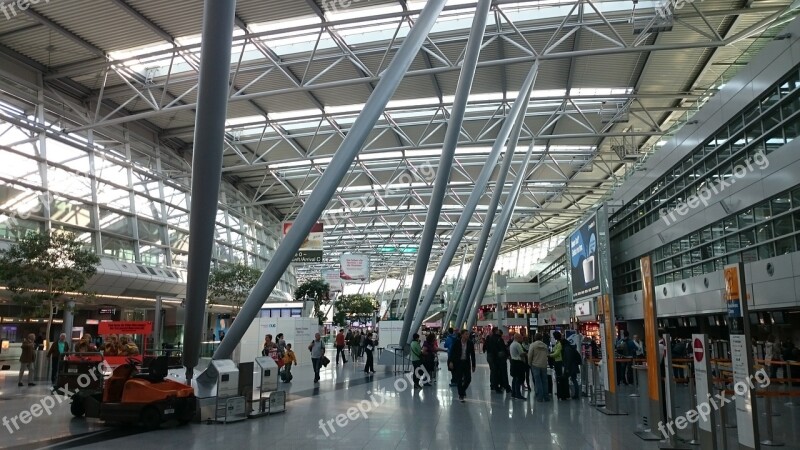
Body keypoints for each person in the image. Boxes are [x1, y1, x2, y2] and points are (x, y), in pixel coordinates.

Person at [448, 330, 476, 403]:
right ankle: (461, 395)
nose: (467, 335)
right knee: (459, 379)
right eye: (466, 334)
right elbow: (452, 352)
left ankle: (462, 391)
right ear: (462, 335)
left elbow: (472, 355)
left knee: (468, 379)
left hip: (466, 363)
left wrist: (473, 365)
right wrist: (450, 361)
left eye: (468, 334)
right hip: (458, 363)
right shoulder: (457, 342)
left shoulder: (470, 343)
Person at [528, 333, 550, 402]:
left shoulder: (533, 345)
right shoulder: (545, 346)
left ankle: (540, 397)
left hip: (535, 365)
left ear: (535, 338)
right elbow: (547, 354)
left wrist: (529, 363)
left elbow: (530, 355)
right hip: (543, 365)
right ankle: (546, 397)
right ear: (541, 338)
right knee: (545, 381)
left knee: (538, 382)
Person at [561, 334, 582, 400]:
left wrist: (566, 368)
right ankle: (576, 393)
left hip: (571, 367)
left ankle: (572, 394)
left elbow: (568, 359)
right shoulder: (571, 347)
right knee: (574, 379)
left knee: (571, 379)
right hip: (574, 366)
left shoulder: (567, 349)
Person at [509, 333, 527, 400]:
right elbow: (521, 354)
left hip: (513, 362)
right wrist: (525, 354)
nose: (522, 339)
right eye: (520, 337)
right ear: (518, 338)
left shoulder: (512, 344)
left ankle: (513, 393)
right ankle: (518, 394)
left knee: (515, 378)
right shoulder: (517, 344)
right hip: (518, 363)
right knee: (519, 379)